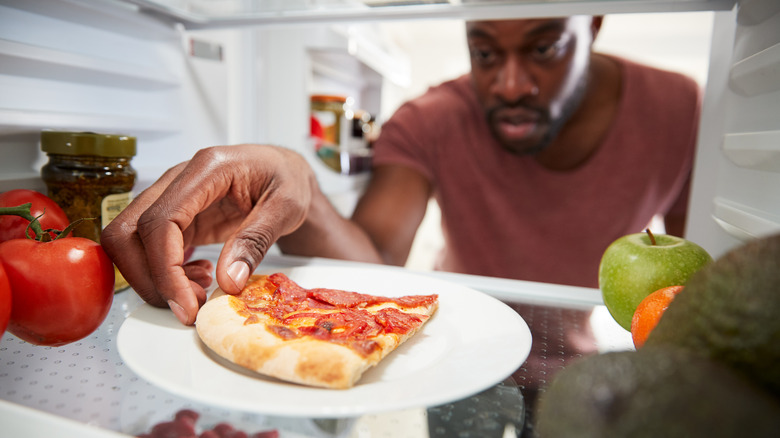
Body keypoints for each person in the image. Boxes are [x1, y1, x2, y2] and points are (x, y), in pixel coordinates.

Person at [102, 16, 700, 326]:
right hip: (465, 338)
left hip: (591, 352)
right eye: (485, 52)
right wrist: (298, 179)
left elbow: (692, 272)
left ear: (592, 25)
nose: (510, 84)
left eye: (544, 49)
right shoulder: (430, 119)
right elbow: (374, 266)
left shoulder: (677, 109)